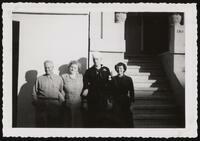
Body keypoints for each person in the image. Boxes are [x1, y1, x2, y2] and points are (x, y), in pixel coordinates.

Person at [81, 52, 112, 127]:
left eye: (97, 59)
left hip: (103, 98)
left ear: (101, 60)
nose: (96, 61)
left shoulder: (106, 70)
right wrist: (86, 89)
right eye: (94, 59)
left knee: (103, 118)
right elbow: (85, 83)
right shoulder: (89, 71)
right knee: (92, 118)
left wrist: (110, 99)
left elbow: (109, 85)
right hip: (92, 98)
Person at [32, 60, 65, 127]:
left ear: (53, 67)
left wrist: (60, 103)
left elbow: (62, 91)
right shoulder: (39, 79)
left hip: (54, 105)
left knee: (53, 124)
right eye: (45, 67)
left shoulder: (59, 78)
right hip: (42, 104)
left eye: (49, 67)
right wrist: (37, 103)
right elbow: (34, 92)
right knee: (41, 125)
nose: (47, 69)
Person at [111, 62, 135, 128]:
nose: (119, 70)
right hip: (116, 102)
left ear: (124, 69)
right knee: (116, 121)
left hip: (126, 102)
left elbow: (131, 92)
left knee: (127, 121)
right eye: (118, 68)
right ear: (116, 69)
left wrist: (132, 104)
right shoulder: (113, 79)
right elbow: (110, 91)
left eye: (121, 68)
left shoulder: (128, 79)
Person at [61, 61, 83, 127]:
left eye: (75, 68)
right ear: (69, 68)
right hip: (67, 104)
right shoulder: (64, 77)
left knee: (77, 124)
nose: (73, 69)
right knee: (68, 124)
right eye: (71, 67)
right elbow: (60, 90)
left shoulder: (81, 77)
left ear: (78, 69)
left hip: (78, 104)